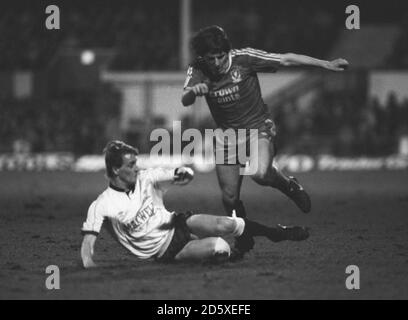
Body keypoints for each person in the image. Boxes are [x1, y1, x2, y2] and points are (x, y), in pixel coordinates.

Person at [181, 25, 349, 256]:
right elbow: (185, 99)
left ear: (228, 52)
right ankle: (244, 238)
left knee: (259, 174)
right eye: (212, 58)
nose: (218, 62)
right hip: (227, 137)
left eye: (222, 56)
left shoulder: (245, 59)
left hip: (257, 127)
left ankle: (288, 184)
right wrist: (193, 92)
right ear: (203, 57)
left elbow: (287, 59)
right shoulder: (197, 69)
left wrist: (325, 64)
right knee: (229, 198)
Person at [80, 140, 309, 268]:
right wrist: (88, 262)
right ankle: (209, 252)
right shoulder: (103, 204)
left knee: (225, 224)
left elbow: (175, 173)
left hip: (179, 223)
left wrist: (182, 173)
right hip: (165, 251)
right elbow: (88, 242)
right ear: (116, 170)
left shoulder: (146, 178)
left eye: (136, 163)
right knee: (221, 248)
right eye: (131, 165)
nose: (137, 168)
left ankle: (274, 233)